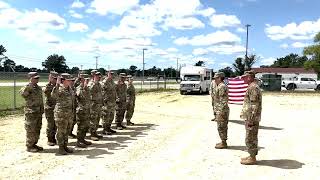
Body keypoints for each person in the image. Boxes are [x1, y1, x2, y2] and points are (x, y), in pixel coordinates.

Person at [240, 70, 262, 165]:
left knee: (251, 137)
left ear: (249, 77)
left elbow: (254, 105)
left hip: (251, 117)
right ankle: (251, 155)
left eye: (245, 77)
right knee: (250, 136)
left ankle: (252, 158)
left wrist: (251, 119)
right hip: (250, 116)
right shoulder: (252, 86)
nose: (243, 79)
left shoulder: (253, 87)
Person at [20, 72, 44, 152]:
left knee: (37, 128)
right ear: (30, 78)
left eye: (38, 78)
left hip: (38, 112)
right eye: (35, 78)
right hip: (31, 112)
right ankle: (29, 146)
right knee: (31, 129)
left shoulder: (38, 88)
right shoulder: (27, 87)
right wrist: (29, 86)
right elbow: (23, 94)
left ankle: (34, 144)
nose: (37, 79)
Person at [51, 73, 75, 155]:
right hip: (61, 114)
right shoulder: (59, 89)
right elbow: (53, 95)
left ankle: (65, 146)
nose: (70, 82)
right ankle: (61, 148)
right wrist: (57, 85)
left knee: (67, 131)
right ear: (63, 80)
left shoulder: (70, 89)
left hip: (69, 114)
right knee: (61, 131)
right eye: (68, 80)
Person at [75, 74, 92, 148]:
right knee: (81, 127)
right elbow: (80, 96)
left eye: (88, 80)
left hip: (87, 110)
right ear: (82, 80)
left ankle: (83, 139)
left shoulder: (87, 88)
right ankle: (79, 141)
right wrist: (84, 88)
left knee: (86, 126)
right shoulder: (79, 88)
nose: (87, 81)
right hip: (81, 111)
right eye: (86, 80)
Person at [213, 72, 229, 149]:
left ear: (219, 78)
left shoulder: (222, 86)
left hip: (222, 110)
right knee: (221, 126)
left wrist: (220, 112)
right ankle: (223, 141)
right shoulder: (219, 85)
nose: (214, 80)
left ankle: (223, 142)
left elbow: (223, 101)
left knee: (221, 127)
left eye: (215, 78)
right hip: (220, 110)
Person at [43, 71, 58, 146]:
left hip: (56, 108)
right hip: (49, 108)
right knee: (50, 124)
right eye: (53, 78)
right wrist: (50, 82)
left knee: (55, 124)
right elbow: (46, 92)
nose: (55, 80)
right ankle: (50, 139)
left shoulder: (57, 86)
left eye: (56, 78)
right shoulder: (48, 86)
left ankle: (53, 138)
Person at [88, 72, 103, 141]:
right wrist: (94, 82)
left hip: (99, 104)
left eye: (98, 76)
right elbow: (89, 91)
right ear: (93, 76)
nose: (98, 77)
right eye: (96, 76)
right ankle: (92, 134)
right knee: (93, 120)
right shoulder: (91, 83)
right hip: (93, 105)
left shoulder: (99, 84)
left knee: (97, 119)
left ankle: (95, 132)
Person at [101, 71, 117, 135]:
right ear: (107, 74)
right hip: (107, 102)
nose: (111, 75)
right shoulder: (105, 82)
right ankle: (105, 129)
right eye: (110, 74)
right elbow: (103, 89)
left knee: (111, 116)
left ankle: (108, 127)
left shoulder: (112, 81)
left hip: (112, 101)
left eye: (112, 74)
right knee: (106, 116)